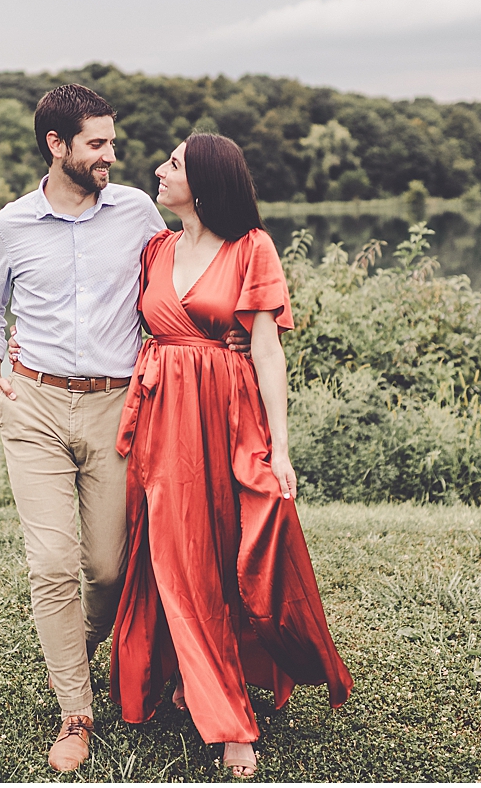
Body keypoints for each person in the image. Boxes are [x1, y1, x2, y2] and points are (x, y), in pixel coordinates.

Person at [0, 86, 248, 772]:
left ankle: (71, 647)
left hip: (118, 407)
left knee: (110, 567)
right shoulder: (11, 224)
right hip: (32, 404)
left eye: (111, 143)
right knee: (53, 564)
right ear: (56, 145)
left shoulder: (136, 211)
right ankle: (75, 709)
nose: (111, 157)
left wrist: (227, 336)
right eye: (96, 144)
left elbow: (183, 273)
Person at [110, 133, 353, 779]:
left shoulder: (252, 248)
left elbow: (267, 351)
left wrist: (281, 446)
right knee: (173, 555)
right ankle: (223, 715)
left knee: (229, 553)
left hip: (229, 417)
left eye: (173, 164)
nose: (159, 171)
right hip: (164, 422)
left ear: (206, 181)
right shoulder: (155, 248)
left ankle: (211, 677)